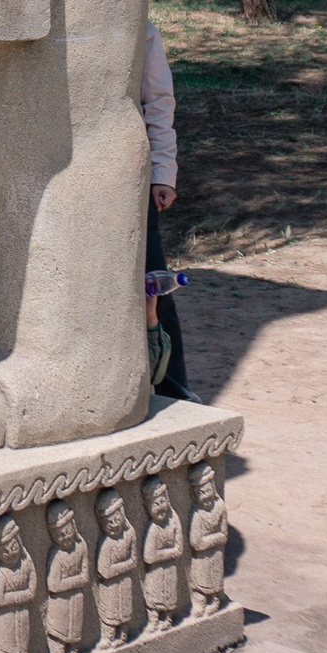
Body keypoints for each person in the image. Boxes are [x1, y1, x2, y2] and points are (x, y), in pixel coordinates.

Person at [141, 20, 191, 399]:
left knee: (153, 285)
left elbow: (158, 100)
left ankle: (174, 390)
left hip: (132, 183)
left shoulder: (141, 28)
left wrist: (162, 173)